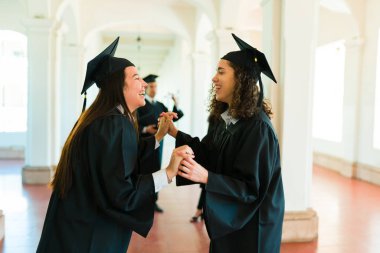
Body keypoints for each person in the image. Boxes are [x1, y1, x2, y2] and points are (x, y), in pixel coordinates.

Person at [36, 37, 193, 253]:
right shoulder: (114, 124)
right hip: (89, 234)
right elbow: (122, 194)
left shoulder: (107, 119)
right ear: (119, 85)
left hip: (77, 227)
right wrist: (167, 172)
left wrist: (159, 136)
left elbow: (121, 158)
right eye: (137, 78)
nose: (144, 84)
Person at [166, 33, 285, 253]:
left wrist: (207, 177)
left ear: (241, 79)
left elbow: (252, 188)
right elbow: (209, 152)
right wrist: (174, 133)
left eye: (221, 72)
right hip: (231, 220)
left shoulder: (257, 128)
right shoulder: (229, 118)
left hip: (252, 225)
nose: (214, 78)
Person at [137, 74, 184, 212]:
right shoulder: (140, 105)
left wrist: (176, 105)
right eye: (151, 86)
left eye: (155, 86)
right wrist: (145, 129)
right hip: (144, 142)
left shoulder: (159, 105)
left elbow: (173, 118)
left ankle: (153, 201)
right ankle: (141, 201)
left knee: (156, 169)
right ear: (146, 87)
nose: (154, 89)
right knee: (143, 171)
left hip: (158, 145)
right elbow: (133, 124)